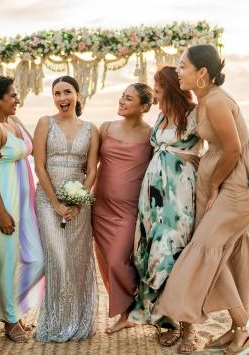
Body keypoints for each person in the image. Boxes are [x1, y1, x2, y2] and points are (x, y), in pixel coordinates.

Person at [155, 45, 249, 354]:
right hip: (225, 183)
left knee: (204, 249)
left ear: (202, 73)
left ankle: (247, 325)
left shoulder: (217, 101)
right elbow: (233, 142)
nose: (178, 70)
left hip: (235, 189)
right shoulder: (205, 100)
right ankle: (237, 329)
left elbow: (233, 149)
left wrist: (216, 182)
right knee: (226, 256)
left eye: (183, 66)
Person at [128, 67, 203, 351]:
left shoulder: (196, 114)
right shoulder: (160, 116)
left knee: (175, 253)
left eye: (158, 88)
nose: (154, 93)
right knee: (150, 254)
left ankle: (189, 329)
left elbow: (223, 142)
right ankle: (167, 321)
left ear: (170, 87)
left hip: (179, 197)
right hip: (152, 198)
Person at [33, 75, 100, 342]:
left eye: (67, 92)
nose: (62, 98)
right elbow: (39, 166)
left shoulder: (91, 128)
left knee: (78, 260)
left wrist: (79, 199)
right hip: (48, 200)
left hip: (79, 202)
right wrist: (56, 203)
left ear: (78, 94)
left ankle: (79, 323)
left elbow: (92, 169)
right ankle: (55, 323)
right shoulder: (44, 123)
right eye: (57, 93)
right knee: (58, 260)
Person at [0, 76, 45, 342]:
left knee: (37, 259)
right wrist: (2, 211)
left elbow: (32, 147)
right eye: (13, 96)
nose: (17, 100)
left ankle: (11, 309)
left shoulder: (14, 121)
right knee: (6, 264)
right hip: (1, 202)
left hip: (24, 204)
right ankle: (10, 319)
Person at [91, 83, 153, 334]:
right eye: (122, 97)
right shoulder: (105, 128)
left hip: (129, 210)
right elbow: (89, 164)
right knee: (106, 262)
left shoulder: (152, 134)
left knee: (119, 261)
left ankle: (131, 310)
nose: (122, 101)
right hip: (100, 207)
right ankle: (126, 313)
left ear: (144, 107)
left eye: (128, 99)